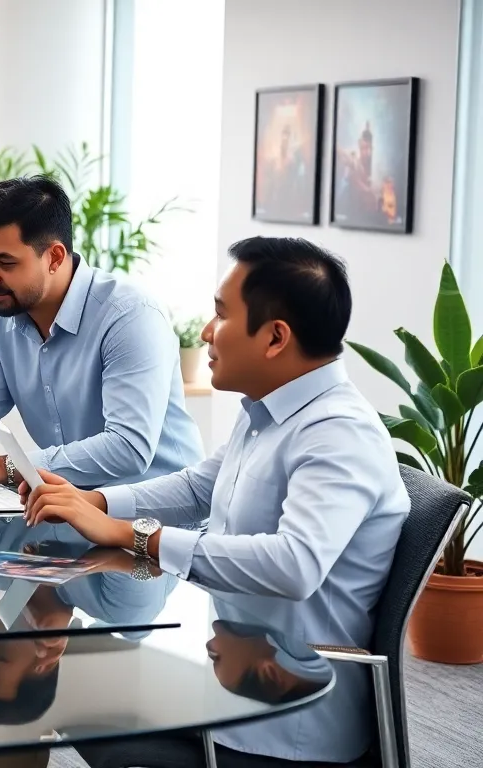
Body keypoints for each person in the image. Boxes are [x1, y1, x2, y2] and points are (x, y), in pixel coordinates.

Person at [21, 236, 410, 764]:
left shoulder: (339, 435)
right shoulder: (270, 412)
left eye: (221, 315)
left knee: (48, 685)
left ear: (275, 338)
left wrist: (134, 536)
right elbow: (198, 488)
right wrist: (93, 501)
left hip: (280, 719)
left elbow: (294, 565)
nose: (205, 332)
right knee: (49, 670)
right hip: (225, 671)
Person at [0, 175, 203, 491]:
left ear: (55, 257)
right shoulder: (3, 321)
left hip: (159, 524)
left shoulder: (130, 315)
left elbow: (129, 448)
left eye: (5, 262)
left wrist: (2, 467)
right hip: (72, 515)